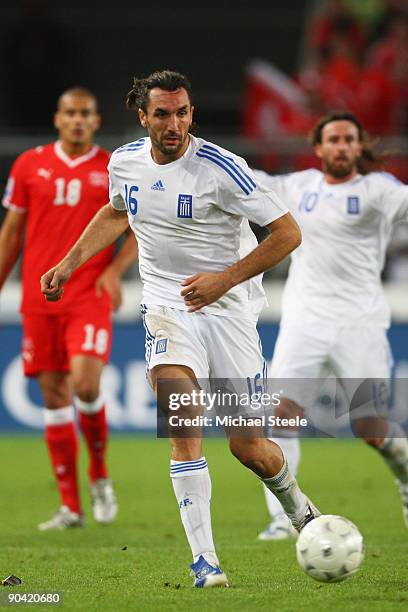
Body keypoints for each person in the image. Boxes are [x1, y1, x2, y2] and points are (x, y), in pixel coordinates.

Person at [40, 70, 321, 587]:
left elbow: (287, 233)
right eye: (164, 114)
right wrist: (68, 263)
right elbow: (115, 212)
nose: (176, 124)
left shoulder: (223, 168)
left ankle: (301, 510)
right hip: (166, 303)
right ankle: (205, 561)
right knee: (182, 419)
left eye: (184, 112)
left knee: (248, 447)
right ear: (143, 116)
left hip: (229, 308)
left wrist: (224, 280)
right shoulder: (123, 163)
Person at [253, 111, 408, 541]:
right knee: (282, 415)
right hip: (304, 319)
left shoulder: (380, 191)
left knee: (370, 427)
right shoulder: (296, 186)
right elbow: (245, 179)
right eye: (333, 139)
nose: (341, 146)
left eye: (348, 139)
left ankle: (407, 480)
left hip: (359, 322)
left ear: (359, 147)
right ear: (318, 147)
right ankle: (286, 517)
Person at [0, 87, 137, 530]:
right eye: (70, 113)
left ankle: (99, 475)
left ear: (96, 121)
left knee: (84, 384)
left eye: (86, 114)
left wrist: (115, 269)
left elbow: (139, 226)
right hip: (39, 298)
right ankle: (70, 507)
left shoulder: (113, 167)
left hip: (88, 295)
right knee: (54, 395)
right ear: (58, 119)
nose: (78, 120)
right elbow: (11, 234)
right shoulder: (29, 165)